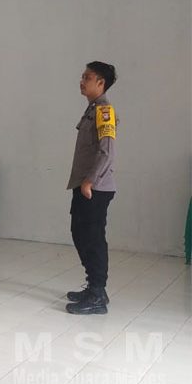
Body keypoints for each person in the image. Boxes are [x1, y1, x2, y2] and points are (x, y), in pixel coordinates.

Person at [65, 61, 118, 315]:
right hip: (84, 184)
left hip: (95, 188)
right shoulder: (92, 109)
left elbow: (106, 151)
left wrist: (90, 181)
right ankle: (94, 287)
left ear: (101, 83)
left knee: (93, 238)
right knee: (79, 233)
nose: (82, 81)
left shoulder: (104, 111)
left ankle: (98, 293)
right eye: (82, 76)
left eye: (87, 77)